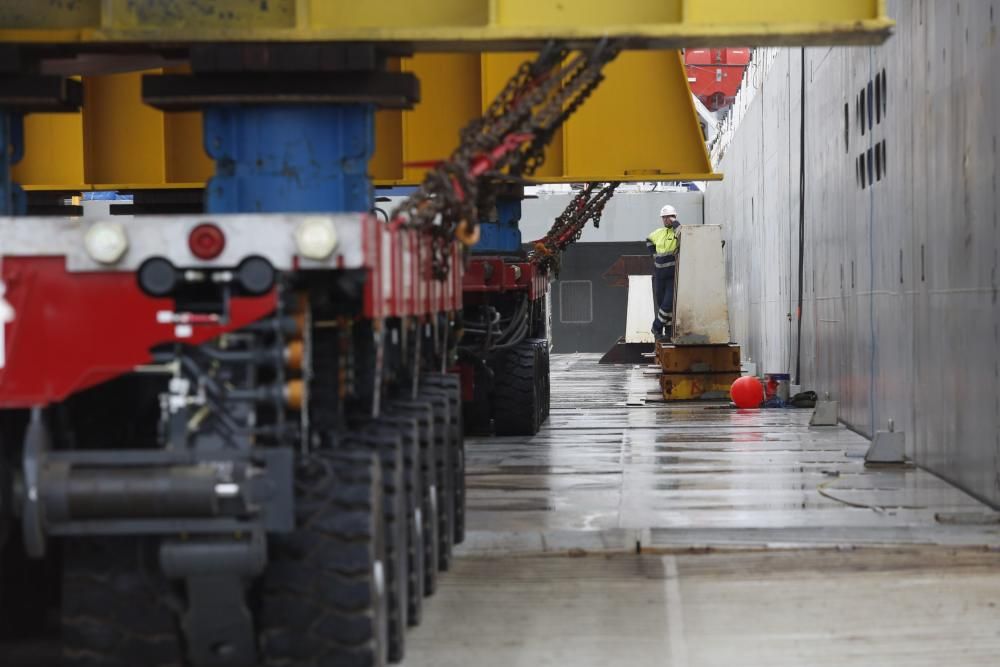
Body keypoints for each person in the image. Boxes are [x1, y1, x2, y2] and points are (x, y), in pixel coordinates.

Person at [646, 204, 680, 339]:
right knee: (662, 305)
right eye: (664, 217)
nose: (666, 220)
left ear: (674, 217)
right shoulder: (658, 233)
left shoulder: (677, 232)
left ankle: (656, 327)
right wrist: (654, 255)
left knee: (667, 305)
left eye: (669, 217)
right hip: (659, 276)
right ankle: (667, 332)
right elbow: (648, 240)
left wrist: (675, 223)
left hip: (672, 276)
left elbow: (684, 234)